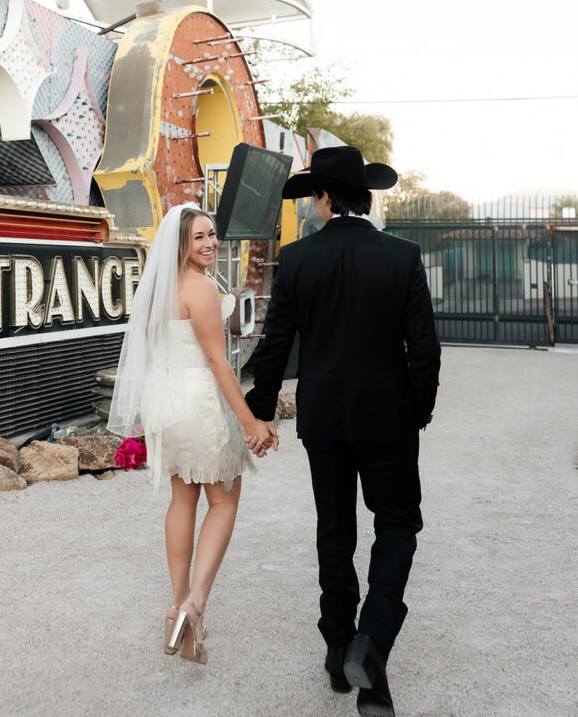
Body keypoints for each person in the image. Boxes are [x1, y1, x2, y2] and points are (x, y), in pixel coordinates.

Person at [245, 146, 441, 717]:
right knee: (398, 522)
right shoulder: (402, 256)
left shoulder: (298, 258)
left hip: (324, 417)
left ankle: (338, 651)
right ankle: (371, 646)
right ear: (364, 196)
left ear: (324, 198)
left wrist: (259, 409)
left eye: (313, 196)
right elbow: (423, 346)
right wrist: (419, 409)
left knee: (335, 528)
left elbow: (275, 345)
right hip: (388, 416)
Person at [108, 202, 278, 665]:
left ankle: (175, 604)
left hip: (165, 405)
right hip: (198, 402)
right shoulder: (200, 288)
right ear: (180, 243)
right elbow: (218, 363)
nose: (210, 243)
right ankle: (194, 605)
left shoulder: (158, 290)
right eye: (199, 236)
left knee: (182, 499)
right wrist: (250, 422)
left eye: (213, 234)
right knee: (223, 501)